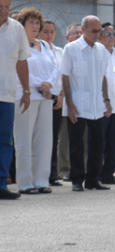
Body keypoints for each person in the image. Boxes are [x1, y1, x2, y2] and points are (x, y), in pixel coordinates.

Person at [60, 15, 113, 192]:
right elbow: (65, 76)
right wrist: (69, 103)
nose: (97, 34)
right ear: (83, 30)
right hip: (77, 103)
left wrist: (107, 100)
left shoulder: (101, 50)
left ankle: (93, 179)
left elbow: (103, 77)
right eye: (94, 31)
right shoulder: (71, 49)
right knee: (76, 144)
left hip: (97, 104)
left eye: (99, 31)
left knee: (97, 143)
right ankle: (77, 179)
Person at [13, 8, 59, 194]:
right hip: (26, 96)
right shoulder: (18, 44)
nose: (35, 26)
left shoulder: (46, 46)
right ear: (22, 25)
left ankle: (41, 179)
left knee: (44, 141)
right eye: (31, 22)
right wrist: (40, 84)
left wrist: (49, 85)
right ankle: (25, 182)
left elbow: (55, 68)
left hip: (45, 98)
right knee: (24, 140)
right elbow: (20, 69)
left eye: (37, 23)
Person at [0, 0, 31, 200]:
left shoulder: (17, 29)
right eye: (0, 6)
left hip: (7, 94)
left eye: (7, 6)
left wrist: (26, 90)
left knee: (4, 141)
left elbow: (22, 61)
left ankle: (1, 184)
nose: (3, 10)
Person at [98, 22, 115, 185]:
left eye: (114, 34)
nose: (112, 37)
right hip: (101, 105)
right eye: (108, 34)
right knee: (101, 141)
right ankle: (98, 172)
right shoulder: (98, 53)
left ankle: (109, 173)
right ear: (100, 37)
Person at [40, 20, 64, 186]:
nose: (49, 35)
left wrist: (61, 95)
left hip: (56, 98)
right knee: (40, 138)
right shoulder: (35, 49)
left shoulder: (60, 52)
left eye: (51, 32)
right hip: (40, 97)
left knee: (53, 138)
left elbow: (63, 76)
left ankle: (52, 173)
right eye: (45, 31)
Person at [58, 23, 83, 182]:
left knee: (83, 139)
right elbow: (61, 76)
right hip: (66, 100)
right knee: (66, 139)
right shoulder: (62, 53)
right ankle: (65, 169)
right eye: (74, 33)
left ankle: (83, 168)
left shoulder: (85, 53)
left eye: (80, 33)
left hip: (83, 102)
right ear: (67, 37)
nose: (78, 36)